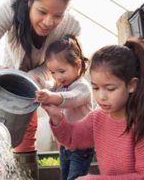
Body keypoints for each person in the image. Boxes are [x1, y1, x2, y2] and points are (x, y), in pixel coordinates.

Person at [0, 0, 80, 179]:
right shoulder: (11, 10)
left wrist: (34, 77)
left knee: (64, 131)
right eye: (42, 12)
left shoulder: (71, 26)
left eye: (58, 15)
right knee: (21, 135)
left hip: (49, 86)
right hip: (11, 87)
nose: (49, 22)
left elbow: (63, 65)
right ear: (29, 0)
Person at [41, 38, 144, 179]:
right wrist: (57, 117)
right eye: (95, 87)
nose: (101, 96)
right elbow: (71, 138)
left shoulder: (143, 125)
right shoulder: (97, 118)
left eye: (110, 88)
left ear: (131, 85)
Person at [35, 35, 94, 180]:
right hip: (65, 145)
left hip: (81, 147)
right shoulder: (60, 84)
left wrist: (50, 96)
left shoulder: (82, 87)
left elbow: (71, 99)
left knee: (75, 178)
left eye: (62, 71)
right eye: (53, 72)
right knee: (65, 176)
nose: (57, 77)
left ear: (78, 65)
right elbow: (50, 86)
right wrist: (40, 83)